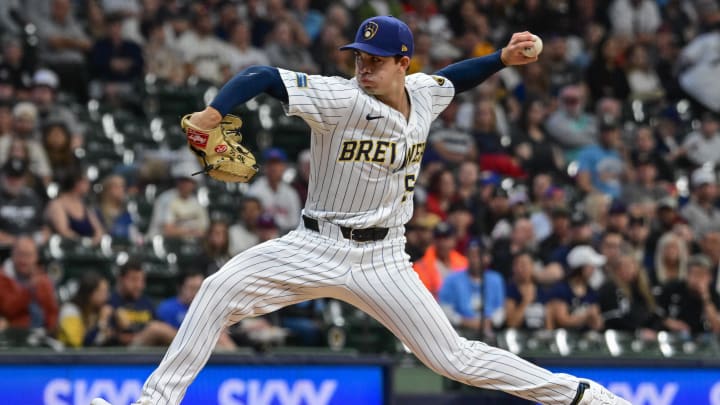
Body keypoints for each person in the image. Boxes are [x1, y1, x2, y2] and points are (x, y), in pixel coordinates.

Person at [93, 16, 628, 405]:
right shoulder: (339, 98)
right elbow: (261, 76)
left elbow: (455, 78)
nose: (363, 66)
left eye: (375, 60)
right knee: (215, 291)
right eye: (358, 57)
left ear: (403, 64)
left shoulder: (422, 93)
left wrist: (500, 60)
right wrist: (212, 115)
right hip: (314, 244)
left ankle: (582, 396)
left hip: (385, 261)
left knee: (453, 360)